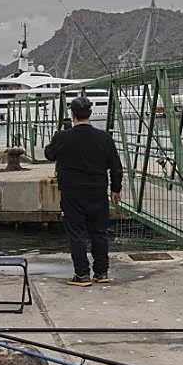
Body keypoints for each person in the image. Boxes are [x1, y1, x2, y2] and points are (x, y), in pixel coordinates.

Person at [43, 96, 123, 287]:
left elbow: (49, 154)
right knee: (99, 232)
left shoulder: (63, 137)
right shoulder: (104, 137)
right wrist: (116, 188)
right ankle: (101, 272)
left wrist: (59, 135)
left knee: (76, 233)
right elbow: (116, 166)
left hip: (72, 192)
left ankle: (82, 274)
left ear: (72, 114)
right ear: (90, 113)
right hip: (97, 191)